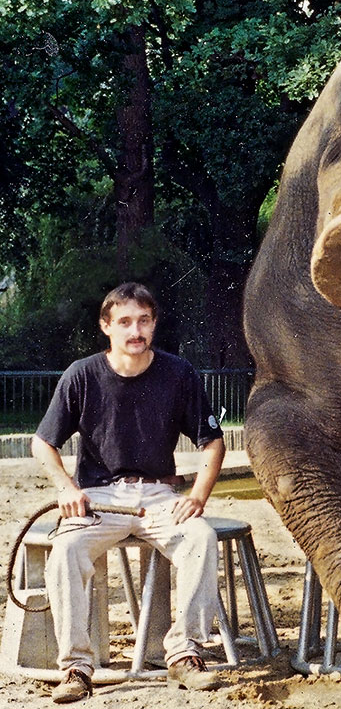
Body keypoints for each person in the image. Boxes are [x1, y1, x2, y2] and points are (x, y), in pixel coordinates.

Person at [31, 282, 227, 704]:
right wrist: (67, 489)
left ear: (154, 324)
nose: (134, 331)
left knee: (200, 539)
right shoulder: (81, 375)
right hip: (99, 499)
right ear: (106, 326)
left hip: (159, 496)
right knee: (65, 553)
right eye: (124, 322)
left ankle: (184, 654)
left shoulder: (179, 373)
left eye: (143, 321)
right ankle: (77, 667)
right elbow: (42, 442)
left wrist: (198, 496)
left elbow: (213, 441)